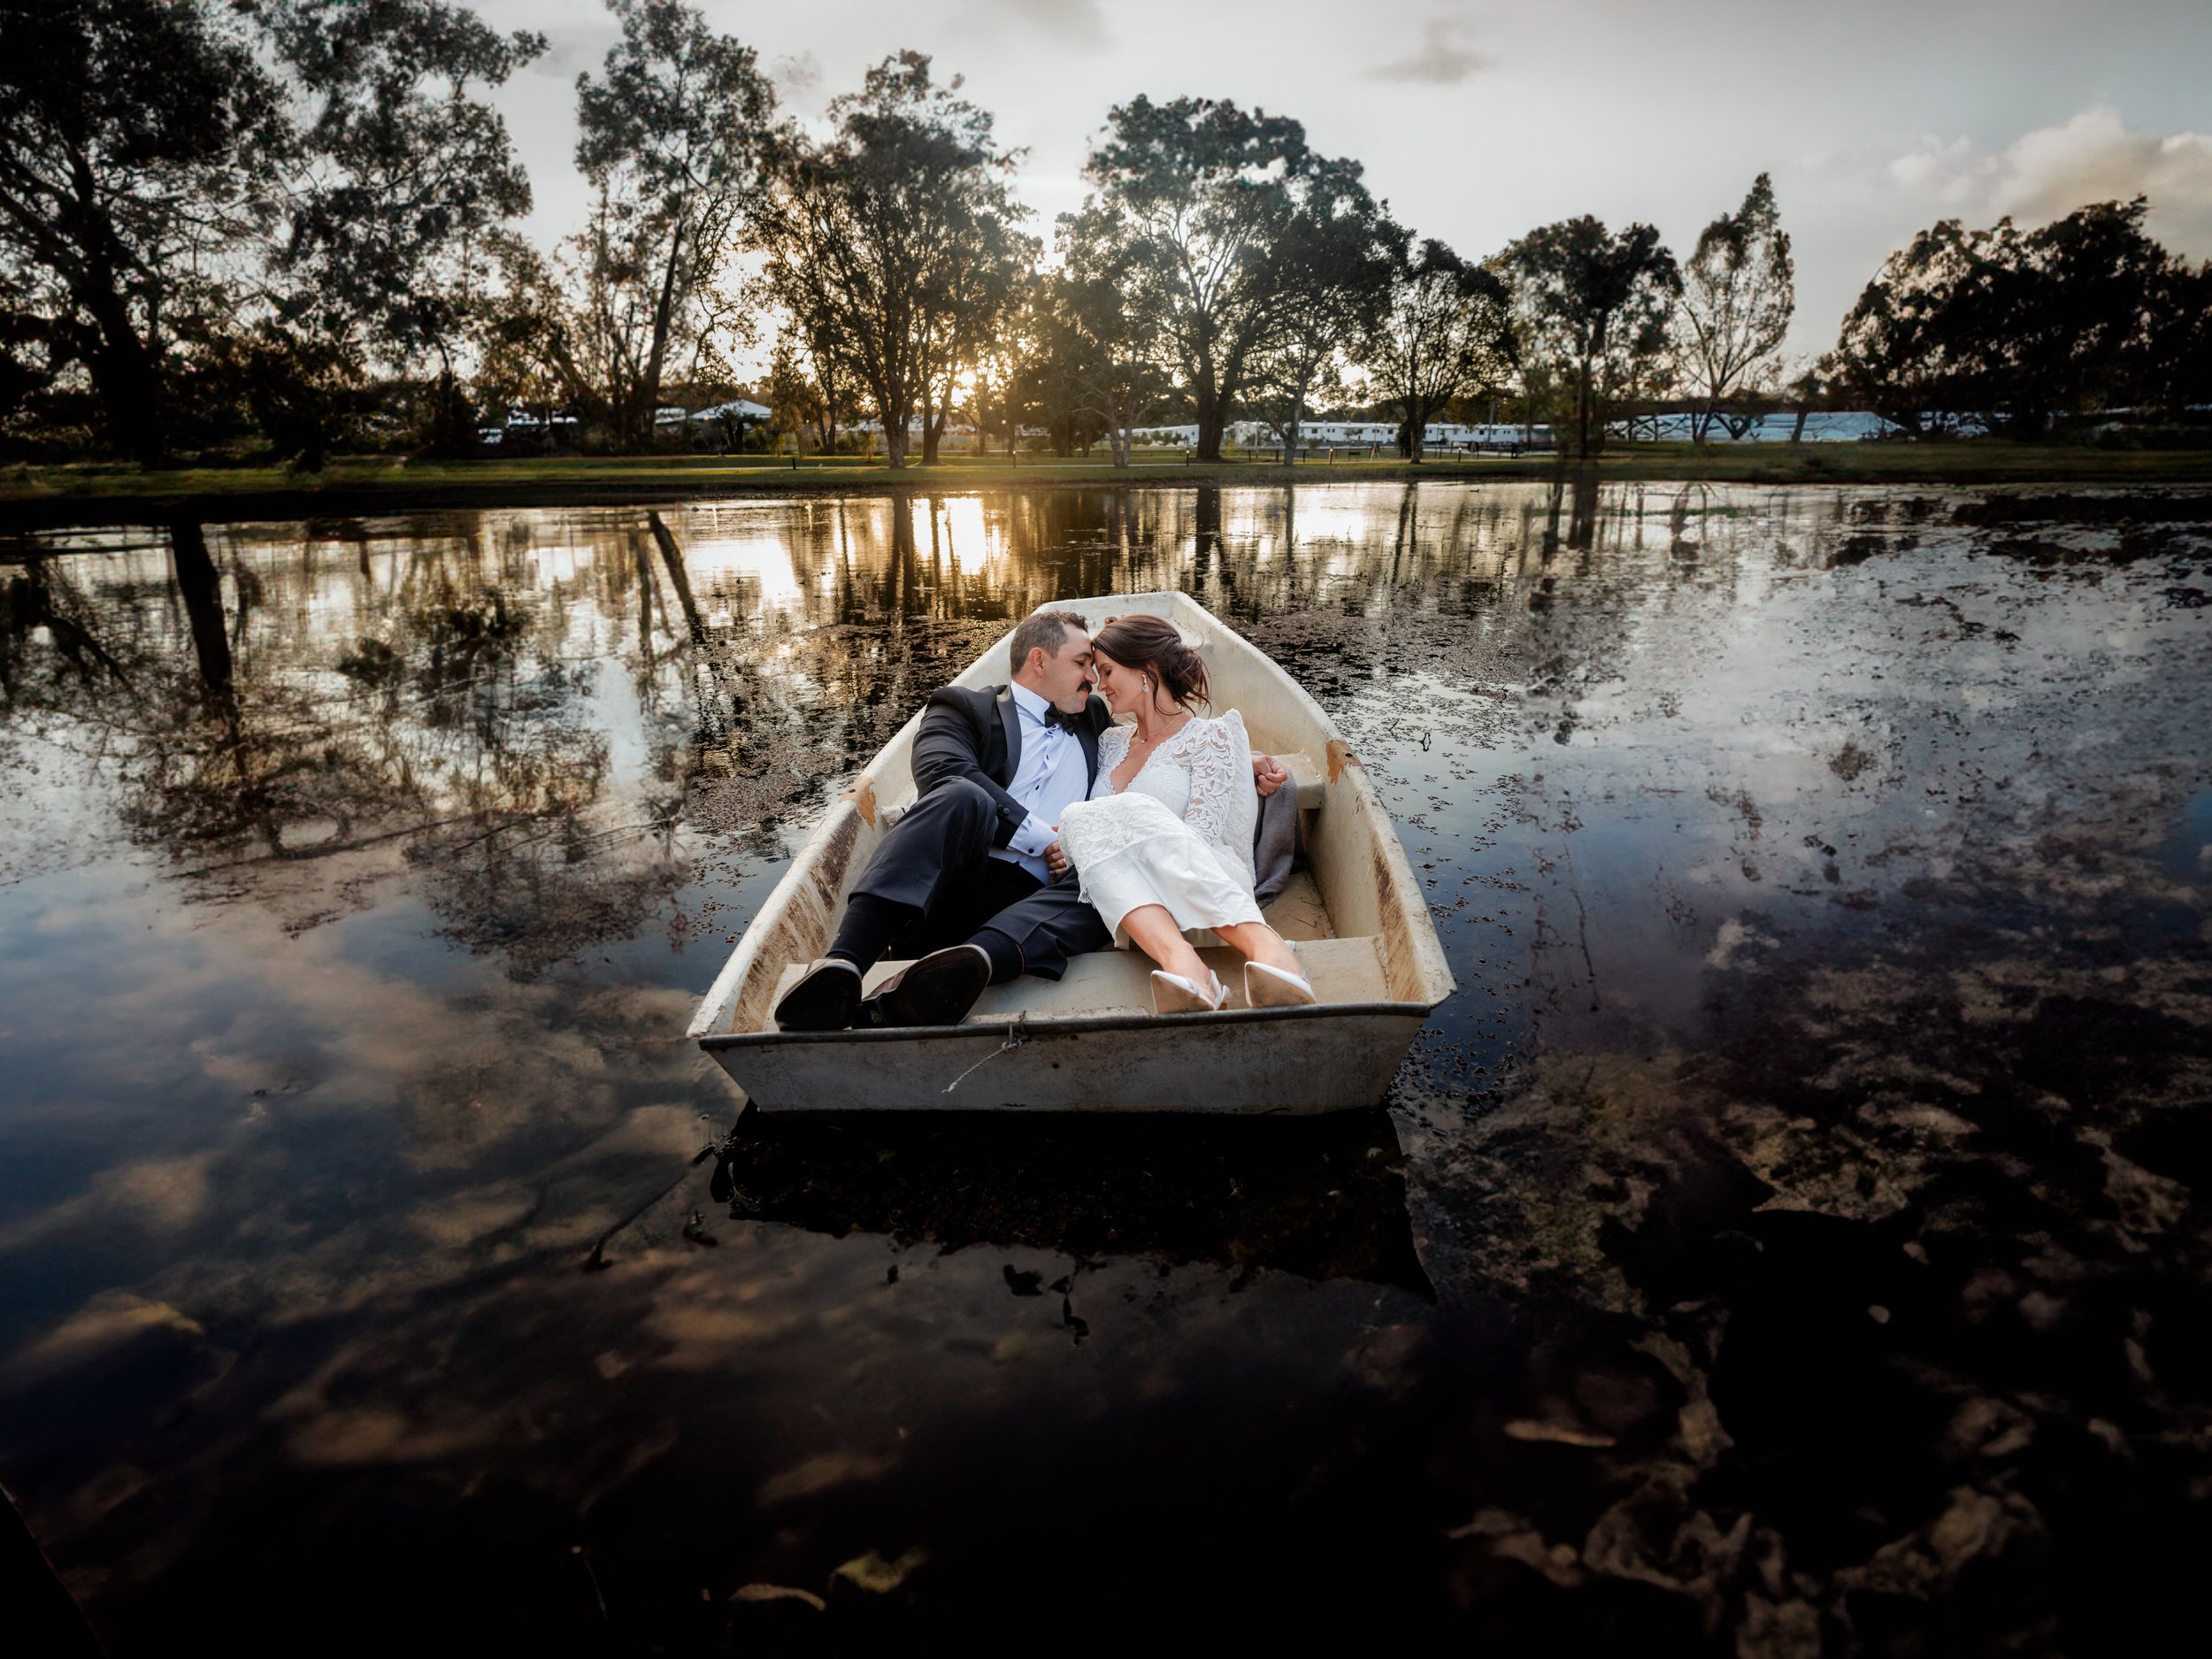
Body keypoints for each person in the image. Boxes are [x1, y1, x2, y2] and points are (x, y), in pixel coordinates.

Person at [773, 611, 1288, 1032]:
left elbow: (1169, 738)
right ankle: (842, 967)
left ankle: (961, 971)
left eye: (1101, 669)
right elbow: (942, 770)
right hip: (959, 877)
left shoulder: (1095, 720)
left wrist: (1248, 756)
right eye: (1085, 663)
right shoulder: (963, 707)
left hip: (1054, 894)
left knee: (1103, 876)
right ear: (1039, 660)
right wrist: (1051, 837)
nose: (1094, 677)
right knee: (961, 796)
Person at [1055, 614, 1317, 1015]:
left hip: (1202, 873)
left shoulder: (1210, 736)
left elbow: (1200, 836)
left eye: (1106, 671)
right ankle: (1187, 965)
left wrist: (1244, 759)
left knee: (1112, 810)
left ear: (1146, 669)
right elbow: (1094, 827)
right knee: (1077, 817)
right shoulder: (1109, 742)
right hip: (1130, 892)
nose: (1099, 685)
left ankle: (1265, 946)